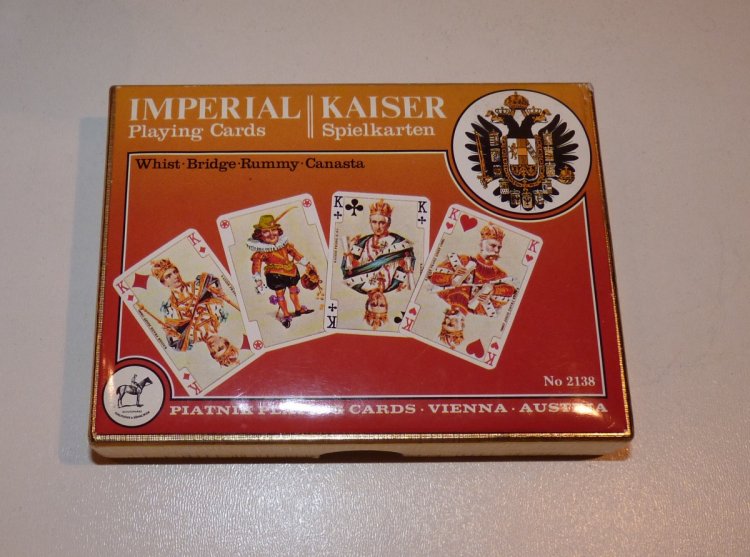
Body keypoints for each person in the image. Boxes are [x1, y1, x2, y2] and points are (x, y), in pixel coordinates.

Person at [147, 258, 239, 367]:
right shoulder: (217, 314)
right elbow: (213, 286)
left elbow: (174, 337)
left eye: (213, 352)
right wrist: (218, 292)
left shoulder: (188, 338)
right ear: (224, 340)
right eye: (220, 348)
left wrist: (170, 331)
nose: (213, 347)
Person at [342, 199, 415, 326]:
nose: (378, 226)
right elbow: (405, 267)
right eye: (381, 305)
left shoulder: (356, 284)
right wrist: (405, 265)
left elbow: (350, 268)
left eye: (382, 222)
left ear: (388, 223)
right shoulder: (394, 284)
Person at [428, 223, 516, 318]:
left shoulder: (499, 273)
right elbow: (434, 278)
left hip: (474, 317)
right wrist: (451, 278)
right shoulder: (463, 260)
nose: (496, 250)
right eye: (493, 245)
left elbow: (511, 290)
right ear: (482, 244)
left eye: (499, 247)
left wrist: (493, 290)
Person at [246, 208, 316, 328]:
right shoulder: (261, 251)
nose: (271, 234)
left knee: (294, 290)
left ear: (278, 231)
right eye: (266, 232)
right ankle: (286, 314)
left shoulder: (284, 245)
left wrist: (307, 263)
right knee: (280, 295)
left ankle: (298, 309)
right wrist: (258, 280)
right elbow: (256, 265)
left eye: (273, 230)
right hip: (275, 275)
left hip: (291, 271)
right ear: (259, 235)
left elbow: (295, 253)